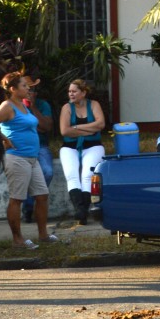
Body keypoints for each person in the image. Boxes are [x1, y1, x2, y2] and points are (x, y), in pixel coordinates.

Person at [0, 71, 59, 249]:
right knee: (17, 199)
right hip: (17, 158)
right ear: (13, 89)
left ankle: (43, 235)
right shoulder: (7, 106)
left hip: (32, 158)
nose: (28, 88)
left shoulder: (23, 105)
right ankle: (18, 240)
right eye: (24, 85)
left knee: (42, 196)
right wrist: (4, 139)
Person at [58, 79, 106, 225]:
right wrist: (90, 129)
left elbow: (101, 124)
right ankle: (81, 210)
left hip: (93, 145)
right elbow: (64, 131)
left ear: (83, 93)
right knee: (71, 175)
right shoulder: (67, 108)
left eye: (74, 91)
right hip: (70, 147)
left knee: (87, 176)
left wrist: (76, 127)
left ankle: (81, 212)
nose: (71, 94)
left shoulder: (94, 105)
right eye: (69, 91)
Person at [20, 75, 54, 223]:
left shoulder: (42, 105)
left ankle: (31, 203)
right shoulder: (15, 106)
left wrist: (33, 107)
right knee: (26, 174)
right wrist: (37, 126)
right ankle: (28, 208)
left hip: (41, 146)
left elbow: (46, 127)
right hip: (23, 147)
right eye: (27, 88)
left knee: (48, 171)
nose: (30, 92)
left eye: (32, 89)